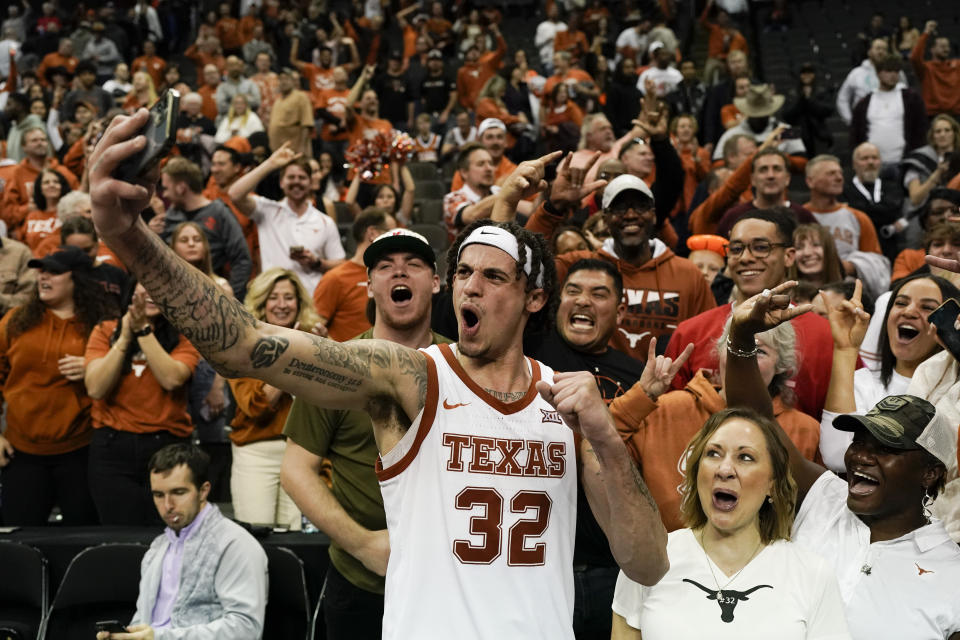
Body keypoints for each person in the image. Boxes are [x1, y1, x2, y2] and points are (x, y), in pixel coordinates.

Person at [89, 111, 669, 638]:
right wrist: (129, 238)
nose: (470, 285)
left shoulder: (563, 405)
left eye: (493, 277)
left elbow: (647, 562)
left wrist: (603, 437)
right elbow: (245, 344)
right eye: (463, 271)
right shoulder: (409, 376)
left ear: (534, 298)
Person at [724, 285, 960, 639]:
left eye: (887, 448)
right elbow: (755, 421)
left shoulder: (951, 574)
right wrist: (742, 336)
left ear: (929, 472)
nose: (862, 456)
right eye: (861, 441)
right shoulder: (824, 499)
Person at [282, 228, 450, 639]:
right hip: (360, 581)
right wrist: (362, 545)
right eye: (385, 267)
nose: (400, 274)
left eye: (413, 265)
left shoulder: (462, 366)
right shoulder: (334, 366)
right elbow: (295, 471)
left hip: (449, 580)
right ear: (370, 285)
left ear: (436, 283)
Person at [611, 406, 848, 637]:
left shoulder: (812, 573)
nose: (725, 469)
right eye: (713, 453)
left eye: (745, 457)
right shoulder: (649, 560)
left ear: (772, 485)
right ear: (696, 472)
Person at [520, 156, 711, 362]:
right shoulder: (579, 269)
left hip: (667, 390)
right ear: (605, 219)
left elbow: (708, 340)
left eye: (640, 206)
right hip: (591, 383)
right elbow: (525, 263)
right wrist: (554, 207)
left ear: (654, 215)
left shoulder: (688, 275)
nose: (630, 215)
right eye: (619, 208)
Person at [665, 209, 834, 419]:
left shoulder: (826, 336)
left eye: (761, 248)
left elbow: (836, 426)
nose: (745, 258)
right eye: (736, 249)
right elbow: (668, 420)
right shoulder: (690, 332)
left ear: (789, 256)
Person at [95, 443, 267, 639]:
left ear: (203, 491)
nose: (168, 505)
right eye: (159, 495)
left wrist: (159, 637)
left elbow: (246, 630)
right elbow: (143, 621)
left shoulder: (235, 544)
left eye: (178, 493)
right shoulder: (158, 548)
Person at [0, 246, 109, 525]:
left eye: (54, 272)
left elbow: (118, 381)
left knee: (82, 540)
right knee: (17, 539)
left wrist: (91, 368)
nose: (43, 277)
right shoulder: (14, 321)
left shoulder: (101, 326)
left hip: (80, 451)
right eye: (41, 270)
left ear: (78, 279)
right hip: (20, 450)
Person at [84, 279, 200, 525]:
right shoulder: (105, 330)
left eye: (157, 289)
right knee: (119, 535)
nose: (150, 296)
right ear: (130, 295)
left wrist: (143, 332)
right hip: (112, 448)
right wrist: (125, 337)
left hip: (167, 447)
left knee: (169, 531)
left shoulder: (184, 334)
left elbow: (172, 378)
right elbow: (95, 387)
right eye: (143, 290)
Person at [819, 275, 959, 473]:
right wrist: (846, 350)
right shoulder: (863, 382)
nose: (909, 312)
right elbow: (837, 456)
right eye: (901, 303)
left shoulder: (956, 391)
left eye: (927, 307)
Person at [229, 269, 319, 529]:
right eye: (274, 297)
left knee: (297, 535)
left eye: (289, 298)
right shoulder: (242, 345)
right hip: (257, 451)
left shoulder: (315, 341)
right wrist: (289, 353)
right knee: (259, 534)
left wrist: (315, 347)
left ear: (299, 303)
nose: (281, 305)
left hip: (303, 452)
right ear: (261, 303)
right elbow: (255, 407)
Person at [228, 144, 346, 295]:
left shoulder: (324, 222)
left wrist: (316, 262)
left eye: (302, 178)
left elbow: (340, 265)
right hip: (272, 299)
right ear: (281, 182)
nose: (296, 181)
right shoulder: (267, 211)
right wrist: (271, 164)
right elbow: (235, 194)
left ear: (310, 183)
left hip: (311, 302)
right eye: (291, 177)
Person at [159, 158, 252, 299]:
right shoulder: (171, 214)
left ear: (181, 188)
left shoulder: (219, 212)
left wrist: (231, 302)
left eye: (166, 188)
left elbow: (242, 260)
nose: (164, 195)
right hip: (174, 294)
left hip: (211, 293)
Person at [804, 155, 889, 299]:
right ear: (810, 181)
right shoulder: (799, 216)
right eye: (831, 174)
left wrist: (850, 266)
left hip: (845, 293)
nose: (839, 178)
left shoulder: (858, 217)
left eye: (840, 173)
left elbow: (878, 266)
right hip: (805, 293)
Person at [313, 208, 397, 341]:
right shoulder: (336, 278)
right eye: (391, 233)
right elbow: (313, 328)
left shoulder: (395, 277)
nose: (396, 240)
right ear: (373, 233)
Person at [850, 54, 927, 168]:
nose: (893, 75)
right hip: (872, 164)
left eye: (896, 71)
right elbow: (856, 134)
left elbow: (920, 130)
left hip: (905, 162)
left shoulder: (911, 99)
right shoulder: (864, 103)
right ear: (878, 73)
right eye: (888, 71)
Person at [0, 126, 79, 234]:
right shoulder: (16, 174)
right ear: (24, 146)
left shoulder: (63, 172)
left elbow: (79, 200)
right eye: (34, 140)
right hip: (29, 231)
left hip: (63, 228)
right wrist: (27, 209)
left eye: (43, 140)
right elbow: (7, 213)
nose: (40, 143)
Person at [843, 142, 907, 264]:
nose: (870, 162)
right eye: (865, 158)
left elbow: (892, 211)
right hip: (857, 250)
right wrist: (883, 213)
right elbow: (852, 215)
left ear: (880, 162)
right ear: (854, 164)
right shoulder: (845, 189)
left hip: (888, 249)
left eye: (874, 158)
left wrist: (862, 208)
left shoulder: (892, 186)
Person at [713, 84, 806, 162]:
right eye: (755, 116)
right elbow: (717, 164)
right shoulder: (732, 134)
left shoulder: (785, 130)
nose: (759, 119)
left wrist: (779, 158)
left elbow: (803, 160)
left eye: (763, 115)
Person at [836, 37, 904, 125]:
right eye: (878, 48)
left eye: (884, 49)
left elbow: (905, 95)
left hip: (891, 122)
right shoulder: (856, 73)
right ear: (869, 51)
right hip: (864, 123)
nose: (881, 52)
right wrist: (850, 121)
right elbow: (842, 98)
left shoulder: (897, 72)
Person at [902, 114, 960, 216]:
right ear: (932, 135)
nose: (943, 134)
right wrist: (937, 173)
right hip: (924, 215)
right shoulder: (918, 160)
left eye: (947, 130)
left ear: (954, 133)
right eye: (938, 131)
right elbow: (915, 199)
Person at [911, 20, 960, 118]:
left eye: (947, 46)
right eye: (942, 46)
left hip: (956, 115)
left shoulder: (957, 65)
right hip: (932, 115)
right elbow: (915, 57)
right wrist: (926, 32)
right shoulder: (926, 68)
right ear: (932, 49)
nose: (946, 49)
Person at [267, 68, 313, 159]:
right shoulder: (278, 100)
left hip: (294, 149)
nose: (283, 82)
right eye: (280, 79)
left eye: (286, 79)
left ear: (293, 81)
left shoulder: (301, 97)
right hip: (277, 150)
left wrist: (302, 147)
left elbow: (306, 123)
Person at [24, 168, 71, 256]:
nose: (51, 185)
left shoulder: (70, 214)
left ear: (62, 186)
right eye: (46, 182)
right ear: (40, 189)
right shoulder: (32, 216)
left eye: (56, 182)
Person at [790, 224, 844, 288]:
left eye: (816, 245)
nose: (807, 253)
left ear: (829, 250)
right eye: (799, 247)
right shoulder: (783, 294)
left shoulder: (850, 293)